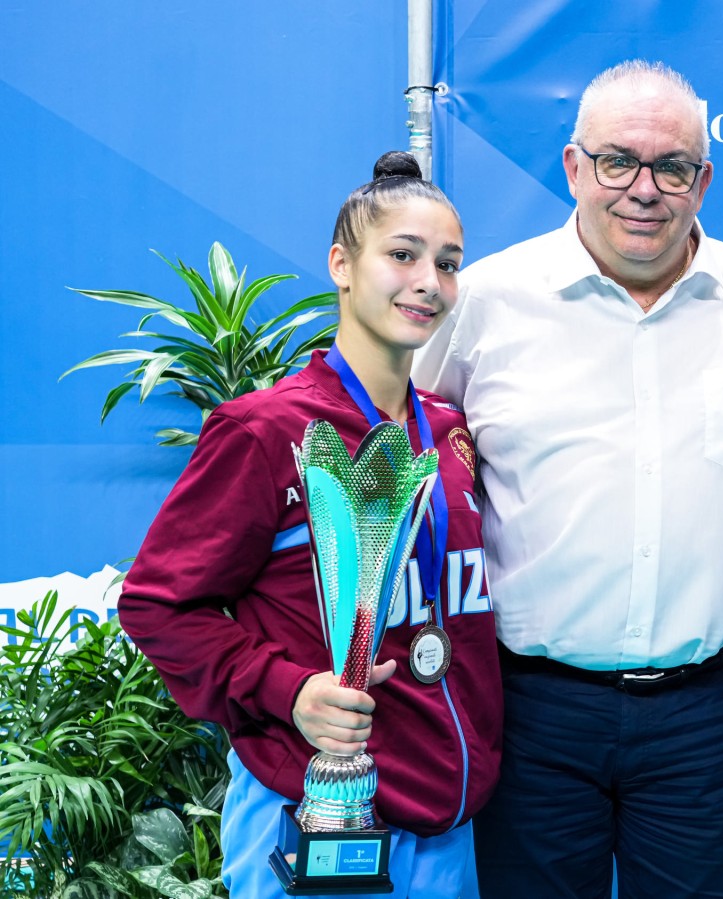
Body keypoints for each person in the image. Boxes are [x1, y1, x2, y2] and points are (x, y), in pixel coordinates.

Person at [410, 60, 723, 899]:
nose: (644, 189)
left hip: (709, 710)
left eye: (672, 167)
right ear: (573, 167)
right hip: (533, 709)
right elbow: (414, 455)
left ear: (704, 180)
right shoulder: (484, 300)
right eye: (617, 161)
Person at [118, 151, 500, 899]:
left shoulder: (450, 431)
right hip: (311, 816)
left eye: (448, 264)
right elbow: (159, 605)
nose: (430, 281)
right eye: (403, 255)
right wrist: (288, 690)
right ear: (341, 265)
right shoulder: (264, 432)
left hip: (447, 827)